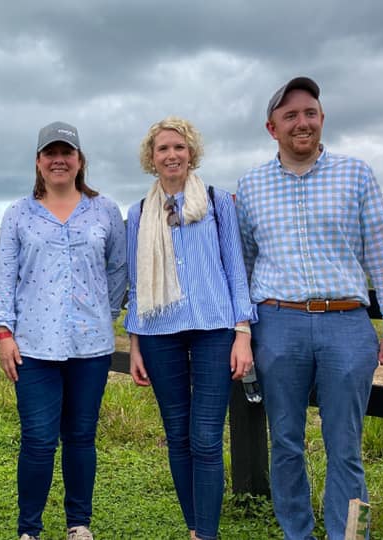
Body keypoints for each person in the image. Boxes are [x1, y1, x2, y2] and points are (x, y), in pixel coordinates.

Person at [235, 76, 383, 540]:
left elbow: (381, 250)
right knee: (286, 443)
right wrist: (243, 329)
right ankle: (296, 532)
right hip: (277, 322)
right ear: (271, 127)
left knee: (346, 446)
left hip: (346, 323)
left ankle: (349, 534)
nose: (302, 122)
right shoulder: (251, 186)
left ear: (322, 118)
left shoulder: (356, 173)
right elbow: (245, 261)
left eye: (310, 113)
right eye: (290, 115)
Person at [0, 121, 127, 540]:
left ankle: (78, 523)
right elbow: (6, 276)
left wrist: (101, 313)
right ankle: (29, 528)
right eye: (50, 153)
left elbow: (118, 268)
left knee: (81, 436)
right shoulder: (17, 214)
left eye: (66, 152)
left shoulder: (104, 210)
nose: (59, 160)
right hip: (33, 346)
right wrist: (3, 332)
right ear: (38, 162)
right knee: (37, 438)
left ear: (80, 160)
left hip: (91, 345)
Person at [124, 116, 255, 540]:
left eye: (178, 147)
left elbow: (236, 269)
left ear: (191, 152)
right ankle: (195, 529)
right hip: (159, 331)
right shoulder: (139, 212)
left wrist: (243, 332)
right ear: (152, 158)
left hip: (214, 328)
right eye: (163, 149)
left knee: (205, 438)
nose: (171, 155)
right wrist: (135, 344)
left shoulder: (217, 202)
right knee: (177, 434)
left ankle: (207, 534)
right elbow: (134, 281)